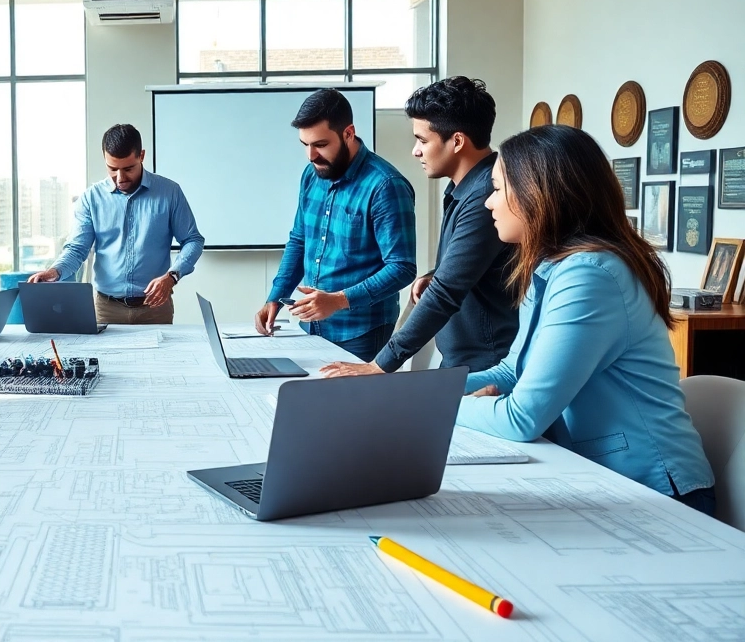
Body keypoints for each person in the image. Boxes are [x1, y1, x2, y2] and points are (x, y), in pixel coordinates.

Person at [458, 125, 715, 515]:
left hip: (658, 492)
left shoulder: (590, 275)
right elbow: (513, 371)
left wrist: (428, 407)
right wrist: (417, 390)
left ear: (537, 192)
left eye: (497, 188)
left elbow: (521, 417)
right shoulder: (549, 267)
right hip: (599, 478)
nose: (488, 203)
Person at [324, 77, 517, 377]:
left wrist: (380, 364)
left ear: (457, 141)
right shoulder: (462, 189)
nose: (416, 151)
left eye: (423, 140)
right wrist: (434, 274)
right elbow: (468, 265)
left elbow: (446, 293)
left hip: (485, 366)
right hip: (461, 360)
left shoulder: (483, 197)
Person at [254, 88, 416, 362]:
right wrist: (276, 297)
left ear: (348, 133)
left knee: (356, 406)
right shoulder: (311, 175)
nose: (310, 155)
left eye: (319, 144)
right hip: (312, 327)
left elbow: (402, 267)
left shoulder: (386, 186)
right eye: (304, 144)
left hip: (362, 333)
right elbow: (299, 240)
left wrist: (338, 300)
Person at [28, 124, 205, 325]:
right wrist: (54, 271)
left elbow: (192, 240)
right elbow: (77, 249)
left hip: (155, 308)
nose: (120, 178)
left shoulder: (169, 192)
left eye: (128, 169)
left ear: (142, 156)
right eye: (112, 169)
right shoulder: (91, 198)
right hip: (106, 309)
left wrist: (172, 276)